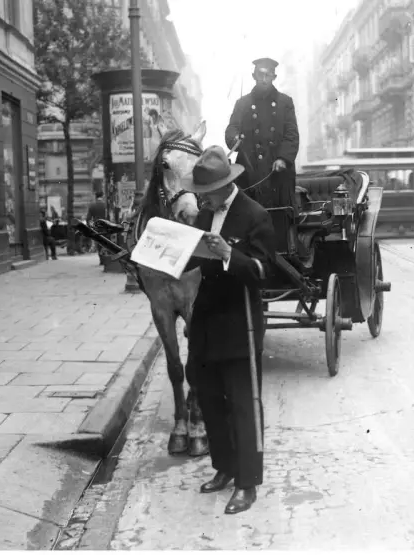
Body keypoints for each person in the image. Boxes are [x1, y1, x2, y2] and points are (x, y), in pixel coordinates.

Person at [180, 146, 276, 515]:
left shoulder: (255, 215)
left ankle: (247, 483)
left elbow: (263, 272)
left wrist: (227, 254)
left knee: (242, 404)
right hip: (206, 319)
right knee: (209, 399)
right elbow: (191, 258)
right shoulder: (205, 215)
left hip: (240, 322)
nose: (203, 198)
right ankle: (224, 467)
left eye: (208, 192)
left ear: (225, 185)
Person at [225, 58, 299, 211]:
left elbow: (292, 134)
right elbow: (232, 128)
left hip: (277, 173)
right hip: (250, 171)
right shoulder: (242, 103)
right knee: (248, 220)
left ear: (274, 77)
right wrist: (235, 138)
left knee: (280, 220)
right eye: (260, 74)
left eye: (268, 75)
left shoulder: (285, 102)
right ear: (254, 76)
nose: (264, 79)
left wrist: (283, 158)